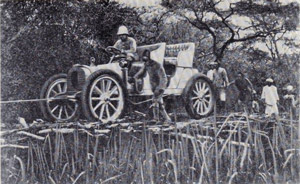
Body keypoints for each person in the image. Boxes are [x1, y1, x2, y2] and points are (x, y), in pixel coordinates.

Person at [134, 49, 172, 124]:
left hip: (160, 87)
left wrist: (160, 88)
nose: (145, 57)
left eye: (147, 56)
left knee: (155, 101)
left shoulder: (157, 65)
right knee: (160, 104)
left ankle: (156, 119)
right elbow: (140, 73)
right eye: (144, 55)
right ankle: (167, 119)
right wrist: (135, 78)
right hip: (154, 87)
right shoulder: (146, 64)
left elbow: (163, 78)